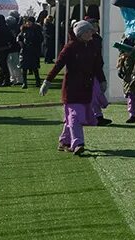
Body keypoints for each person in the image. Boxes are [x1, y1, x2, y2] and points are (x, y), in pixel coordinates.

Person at [41, 21, 102, 155]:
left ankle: (64, 141)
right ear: (80, 33)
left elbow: (97, 65)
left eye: (91, 31)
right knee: (75, 116)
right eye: (88, 31)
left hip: (86, 87)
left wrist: (102, 80)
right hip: (72, 88)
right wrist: (47, 81)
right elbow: (58, 65)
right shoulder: (70, 47)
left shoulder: (92, 46)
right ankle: (78, 143)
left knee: (72, 116)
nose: (91, 33)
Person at [17, 18, 44, 89]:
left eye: (29, 22)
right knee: (24, 67)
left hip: (34, 50)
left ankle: (38, 81)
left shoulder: (37, 29)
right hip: (25, 51)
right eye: (27, 22)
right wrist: (21, 43)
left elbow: (41, 39)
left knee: (35, 67)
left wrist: (34, 43)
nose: (28, 23)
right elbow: (19, 37)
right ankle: (24, 83)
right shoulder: (24, 29)